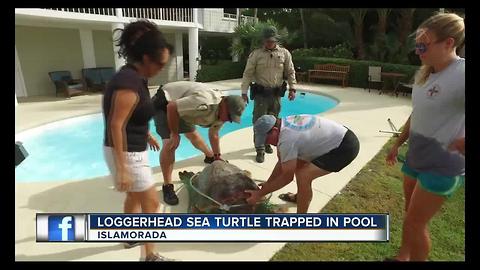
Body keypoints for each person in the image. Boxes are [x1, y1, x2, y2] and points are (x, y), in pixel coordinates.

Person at [385, 13, 465, 262]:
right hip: (416, 159)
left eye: (423, 44)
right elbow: (416, 114)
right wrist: (397, 143)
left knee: (414, 223)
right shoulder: (425, 74)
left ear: (449, 43)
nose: (418, 51)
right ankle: (403, 257)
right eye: (416, 44)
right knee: (410, 216)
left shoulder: (462, 73)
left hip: (443, 165)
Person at [102, 20, 173, 261]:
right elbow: (116, 124)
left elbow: (132, 117)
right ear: (145, 57)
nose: (161, 69)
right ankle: (150, 256)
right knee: (151, 204)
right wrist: (122, 168)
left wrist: (147, 134)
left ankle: (129, 234)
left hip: (133, 147)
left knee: (134, 197)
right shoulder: (128, 83)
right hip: (127, 153)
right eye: (160, 64)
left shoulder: (136, 78)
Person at [152, 81, 246, 205]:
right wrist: (174, 133)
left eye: (231, 119)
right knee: (171, 142)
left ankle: (210, 156)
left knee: (192, 135)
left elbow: (214, 134)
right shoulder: (203, 103)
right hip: (165, 102)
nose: (228, 120)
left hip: (181, 104)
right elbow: (172, 107)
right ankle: (167, 186)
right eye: (229, 116)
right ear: (224, 104)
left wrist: (217, 157)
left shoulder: (223, 114)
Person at [245, 114, 360, 213]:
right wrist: (268, 184)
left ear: (274, 131)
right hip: (335, 137)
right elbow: (282, 163)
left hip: (344, 147)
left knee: (303, 175)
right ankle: (299, 197)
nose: (267, 143)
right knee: (294, 165)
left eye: (266, 140)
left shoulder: (287, 139)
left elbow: (286, 177)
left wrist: (259, 194)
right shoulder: (283, 125)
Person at [240, 26, 297, 163]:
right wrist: (243, 91)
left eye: (271, 40)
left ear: (276, 39)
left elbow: (290, 71)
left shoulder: (284, 53)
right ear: (263, 41)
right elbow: (247, 73)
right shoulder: (256, 54)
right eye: (267, 41)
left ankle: (267, 143)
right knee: (259, 122)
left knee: (273, 121)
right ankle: (259, 149)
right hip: (261, 95)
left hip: (276, 94)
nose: (269, 43)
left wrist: (292, 88)